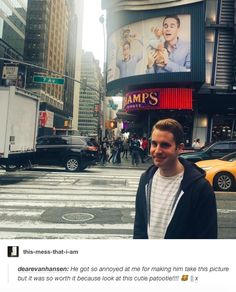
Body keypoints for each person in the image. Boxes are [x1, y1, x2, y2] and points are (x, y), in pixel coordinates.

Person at [133, 118, 217, 239]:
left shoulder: (200, 188)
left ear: (180, 148)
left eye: (165, 145)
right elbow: (140, 225)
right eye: (154, 144)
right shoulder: (145, 179)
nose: (157, 151)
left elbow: (207, 236)